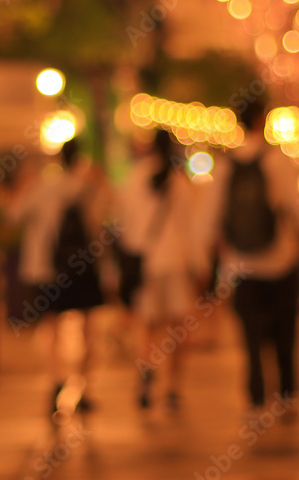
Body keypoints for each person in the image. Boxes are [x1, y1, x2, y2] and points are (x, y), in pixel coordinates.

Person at [207, 101, 299, 414]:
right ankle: (287, 390)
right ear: (262, 119)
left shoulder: (225, 167)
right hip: (280, 261)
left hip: (242, 266)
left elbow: (212, 218)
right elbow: (296, 210)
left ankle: (256, 391)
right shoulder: (277, 161)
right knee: (285, 330)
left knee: (250, 335)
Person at [8, 139, 106, 416]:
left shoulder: (43, 186)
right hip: (84, 267)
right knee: (89, 329)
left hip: (46, 268)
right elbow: (105, 221)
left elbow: (13, 216)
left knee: (51, 328)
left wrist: (23, 187)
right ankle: (85, 387)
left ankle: (56, 379)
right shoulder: (90, 185)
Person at [120, 129, 207, 410]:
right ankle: (173, 387)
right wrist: (201, 265)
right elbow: (191, 229)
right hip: (176, 261)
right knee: (178, 327)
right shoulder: (180, 183)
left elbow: (126, 224)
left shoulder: (135, 178)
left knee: (147, 323)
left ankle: (146, 368)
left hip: (147, 262)